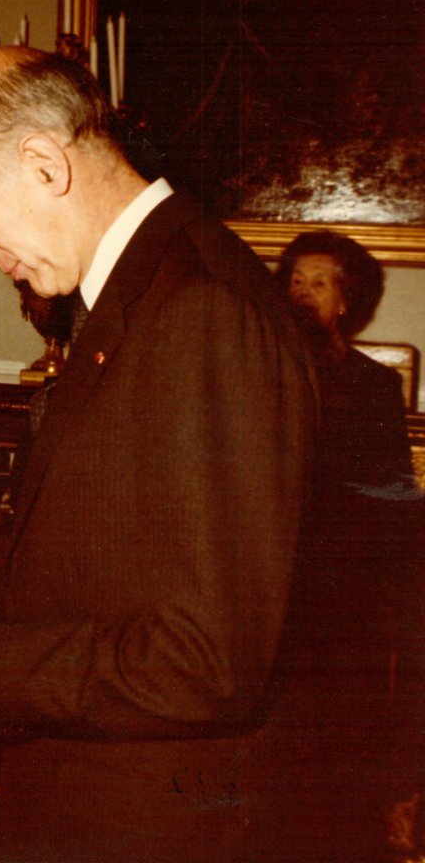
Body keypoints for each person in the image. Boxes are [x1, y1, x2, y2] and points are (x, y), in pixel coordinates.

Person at [0, 46, 318, 862]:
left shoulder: (200, 307)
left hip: (150, 822)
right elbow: (92, 551)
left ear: (44, 164)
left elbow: (205, 662)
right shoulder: (138, 292)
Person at [272, 229, 425, 859]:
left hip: (339, 590)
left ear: (346, 301)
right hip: (264, 581)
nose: (303, 294)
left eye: (320, 282)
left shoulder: (372, 387)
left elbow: (390, 497)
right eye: (295, 280)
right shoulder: (260, 369)